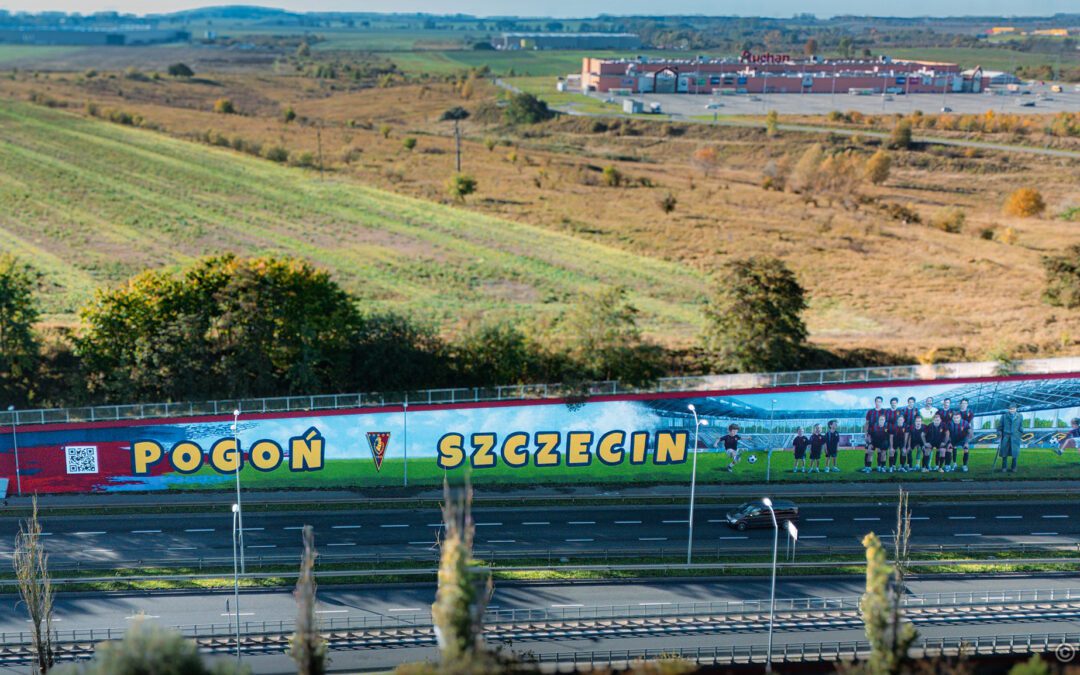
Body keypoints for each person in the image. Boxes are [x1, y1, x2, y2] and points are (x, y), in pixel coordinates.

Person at [863, 396, 888, 473]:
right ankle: (867, 467)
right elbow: (867, 423)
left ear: (881, 402)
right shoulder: (870, 412)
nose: (878, 403)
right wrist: (866, 434)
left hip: (881, 435)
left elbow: (887, 423)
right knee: (868, 451)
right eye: (877, 401)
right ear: (875, 402)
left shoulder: (885, 411)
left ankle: (879, 466)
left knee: (881, 451)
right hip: (871, 435)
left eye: (880, 401)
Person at [997, 403, 1022, 473]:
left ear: (1016, 409)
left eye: (1013, 409)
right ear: (1008, 409)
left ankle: (1014, 467)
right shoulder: (1004, 416)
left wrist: (1020, 432)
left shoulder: (1020, 416)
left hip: (1015, 437)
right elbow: (999, 427)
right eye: (1010, 409)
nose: (1012, 410)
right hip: (1006, 437)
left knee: (1015, 453)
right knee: (1004, 453)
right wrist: (999, 433)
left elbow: (1021, 426)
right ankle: (1004, 467)